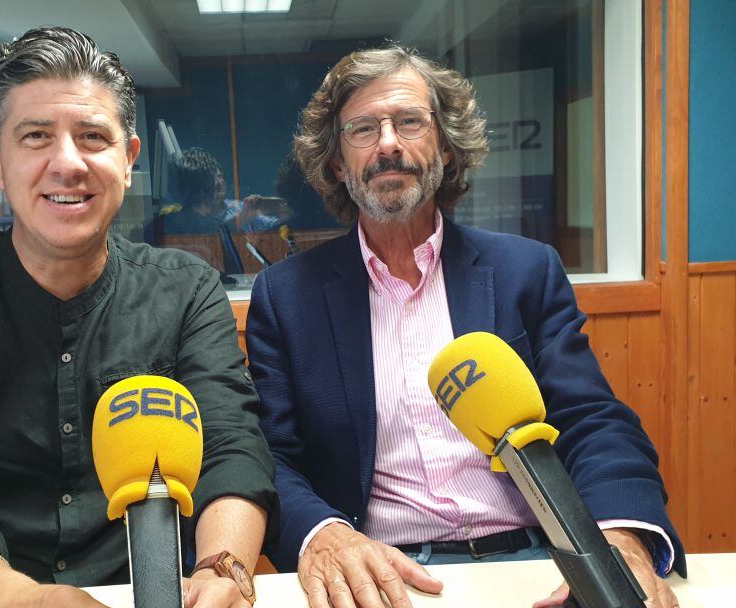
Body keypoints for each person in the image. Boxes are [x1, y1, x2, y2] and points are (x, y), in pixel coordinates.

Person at [0, 27, 274, 608]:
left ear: (128, 159)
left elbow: (232, 449)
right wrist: (24, 601)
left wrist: (225, 570)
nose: (66, 163)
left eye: (93, 136)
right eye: (36, 136)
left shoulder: (188, 291)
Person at [244, 46, 684, 608]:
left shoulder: (526, 271)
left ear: (447, 149)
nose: (387, 144)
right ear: (336, 163)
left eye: (409, 122)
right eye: (362, 129)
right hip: (386, 578)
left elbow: (593, 421)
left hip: (540, 562)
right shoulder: (287, 297)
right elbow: (271, 456)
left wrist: (620, 540)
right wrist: (325, 536)